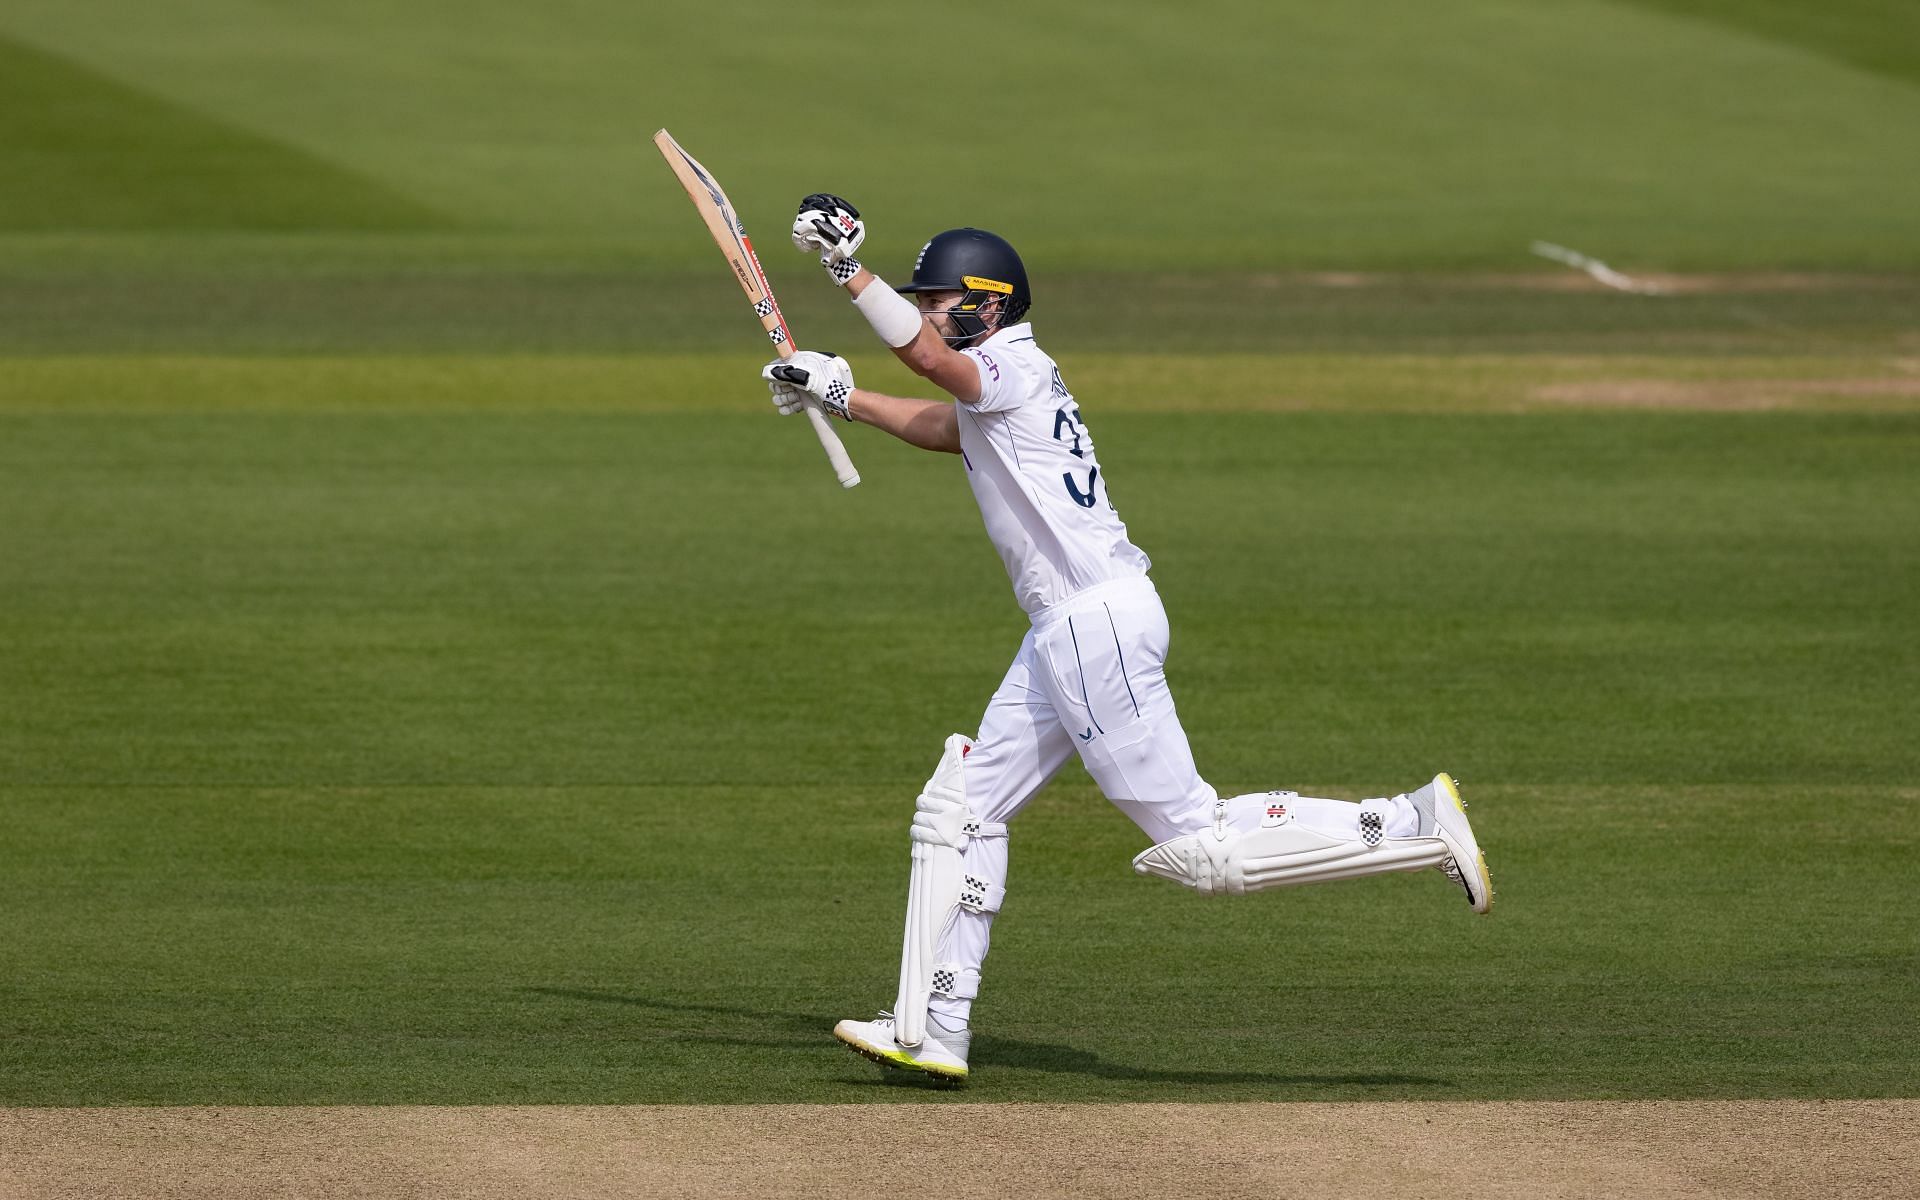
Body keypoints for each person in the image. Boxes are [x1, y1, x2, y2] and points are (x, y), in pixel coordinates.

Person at [762, 195, 1492, 1085]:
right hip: (1069, 628)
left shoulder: (1009, 366)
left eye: (939, 299)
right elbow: (951, 430)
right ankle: (933, 1025)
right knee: (962, 809)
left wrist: (846, 269)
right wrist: (839, 393)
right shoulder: (1003, 381)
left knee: (1201, 847)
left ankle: (1414, 822)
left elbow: (927, 363)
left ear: (988, 304)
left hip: (1092, 625)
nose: (928, 314)